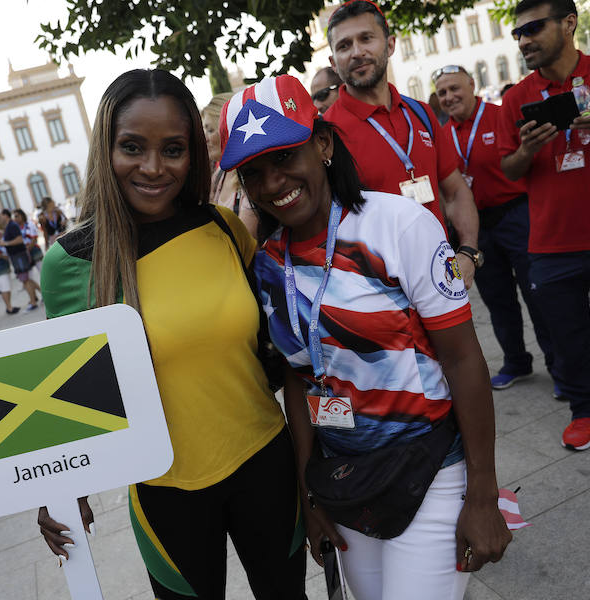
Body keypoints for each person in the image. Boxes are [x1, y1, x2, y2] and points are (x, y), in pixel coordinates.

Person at [219, 73, 511, 600]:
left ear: (323, 145)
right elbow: (297, 377)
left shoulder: (399, 225)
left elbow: (465, 360)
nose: (272, 183)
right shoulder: (266, 265)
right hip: (347, 483)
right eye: (253, 173)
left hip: (431, 471)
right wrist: (311, 496)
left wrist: (483, 496)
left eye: (285, 157)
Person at [36, 69, 307, 599]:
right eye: (132, 147)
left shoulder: (225, 231)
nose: (153, 168)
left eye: (174, 149)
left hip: (267, 466)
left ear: (194, 155)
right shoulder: (69, 264)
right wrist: (57, 488)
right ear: (105, 149)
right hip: (166, 493)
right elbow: (63, 392)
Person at [497, 0, 590, 451]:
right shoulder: (515, 97)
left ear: (569, 23)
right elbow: (507, 170)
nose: (524, 40)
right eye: (518, 34)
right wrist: (526, 150)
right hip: (551, 245)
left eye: (533, 29)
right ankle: (586, 410)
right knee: (567, 341)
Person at [323, 0, 481, 289]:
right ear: (334, 62)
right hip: (378, 294)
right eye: (344, 46)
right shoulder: (325, 135)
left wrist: (469, 253)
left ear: (391, 44)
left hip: (442, 278)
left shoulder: (421, 113)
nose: (357, 52)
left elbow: (456, 190)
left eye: (366, 38)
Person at [435, 65, 557, 392]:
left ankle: (561, 369)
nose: (449, 97)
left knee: (538, 295)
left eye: (454, 89)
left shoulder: (500, 116)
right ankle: (516, 362)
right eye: (442, 93)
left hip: (517, 216)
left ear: (473, 85)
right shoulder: (442, 134)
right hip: (479, 227)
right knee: (497, 299)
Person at [202, 93, 260, 240]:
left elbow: (245, 242)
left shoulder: (251, 179)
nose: (205, 139)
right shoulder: (221, 173)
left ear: (228, 131)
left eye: (210, 130)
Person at [0, 209, 40, 312]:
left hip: (19, 256)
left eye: (0, 216)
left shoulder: (12, 225)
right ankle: (39, 296)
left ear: (5, 216)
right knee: (25, 279)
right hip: (17, 256)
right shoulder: (9, 226)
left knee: (25, 279)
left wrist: (5, 243)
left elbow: (19, 239)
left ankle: (33, 302)